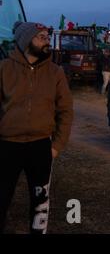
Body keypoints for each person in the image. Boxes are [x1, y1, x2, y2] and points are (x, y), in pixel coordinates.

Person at [0, 21, 73, 234]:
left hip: (41, 146)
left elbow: (66, 111)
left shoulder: (55, 72)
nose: (46, 41)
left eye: (47, 37)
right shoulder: (4, 69)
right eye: (41, 37)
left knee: (40, 203)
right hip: (7, 147)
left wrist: (56, 146)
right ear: (25, 41)